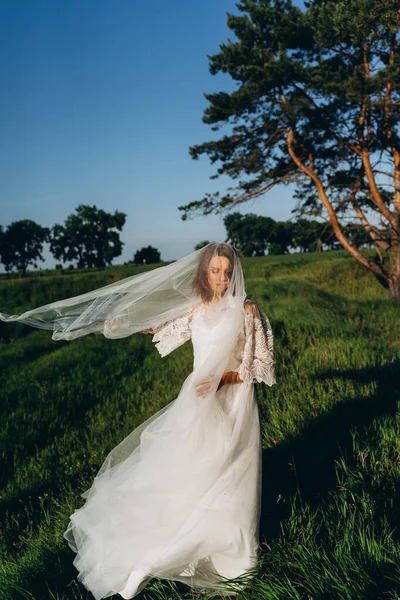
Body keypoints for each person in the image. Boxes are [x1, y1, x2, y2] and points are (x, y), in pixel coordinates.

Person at [0, 242, 275, 599]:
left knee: (231, 475)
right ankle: (156, 555)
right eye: (214, 271)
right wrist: (121, 324)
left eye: (226, 271)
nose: (221, 278)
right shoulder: (198, 309)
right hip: (196, 403)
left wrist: (222, 379)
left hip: (233, 402)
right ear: (204, 273)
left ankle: (230, 560)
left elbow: (260, 367)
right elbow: (161, 327)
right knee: (187, 475)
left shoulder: (247, 310)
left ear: (234, 272)